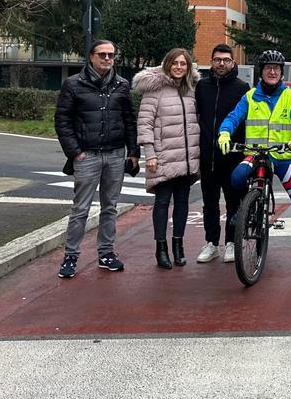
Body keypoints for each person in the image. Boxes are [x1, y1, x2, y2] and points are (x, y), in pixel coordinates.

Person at [218, 50, 291, 266]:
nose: (272, 71)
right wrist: (224, 132)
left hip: (284, 157)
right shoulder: (250, 96)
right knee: (237, 177)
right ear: (261, 72)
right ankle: (244, 209)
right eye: (268, 68)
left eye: (276, 68)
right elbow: (233, 117)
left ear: (281, 73)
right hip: (256, 154)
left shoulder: (290, 97)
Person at [53, 40, 139, 278]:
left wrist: (133, 152)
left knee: (110, 207)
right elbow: (62, 121)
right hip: (87, 156)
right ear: (91, 57)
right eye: (102, 54)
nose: (107, 59)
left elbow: (129, 120)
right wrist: (76, 153)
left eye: (111, 55)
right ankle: (70, 257)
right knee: (80, 209)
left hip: (114, 154)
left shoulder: (121, 84)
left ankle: (107, 253)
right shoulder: (73, 84)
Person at [133, 48, 200, 269]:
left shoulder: (191, 90)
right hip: (162, 157)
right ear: (167, 64)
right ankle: (161, 248)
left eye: (183, 64)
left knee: (182, 203)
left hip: (187, 157)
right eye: (175, 63)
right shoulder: (155, 90)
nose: (179, 67)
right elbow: (144, 125)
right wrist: (149, 154)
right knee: (162, 202)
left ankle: (178, 246)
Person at [194, 43, 250, 264]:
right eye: (217, 59)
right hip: (208, 156)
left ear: (233, 63)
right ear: (211, 61)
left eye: (226, 60)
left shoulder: (242, 88)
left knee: (233, 202)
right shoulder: (201, 87)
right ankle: (211, 243)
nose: (221, 63)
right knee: (209, 202)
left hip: (233, 157)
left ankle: (230, 243)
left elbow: (246, 122)